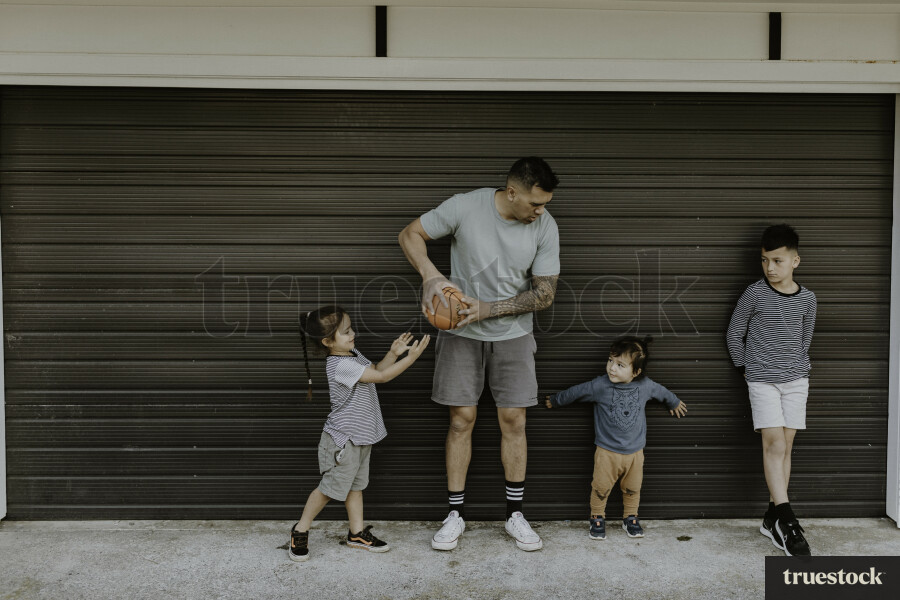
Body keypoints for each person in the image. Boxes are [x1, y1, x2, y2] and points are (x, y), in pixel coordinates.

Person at [397, 157, 561, 552]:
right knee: (460, 420)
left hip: (514, 334)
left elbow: (545, 294)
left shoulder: (546, 226)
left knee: (514, 421)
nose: (541, 211)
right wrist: (431, 275)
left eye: (544, 204)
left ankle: (515, 514)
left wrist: (490, 308)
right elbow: (409, 234)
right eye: (535, 204)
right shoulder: (464, 207)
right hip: (459, 333)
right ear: (511, 193)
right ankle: (454, 514)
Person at [289, 305, 430, 562]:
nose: (352, 333)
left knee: (355, 487)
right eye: (345, 332)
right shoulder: (339, 364)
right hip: (344, 440)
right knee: (329, 489)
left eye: (351, 328)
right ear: (327, 342)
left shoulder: (351, 354)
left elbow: (375, 370)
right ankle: (300, 529)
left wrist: (393, 353)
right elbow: (383, 377)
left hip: (361, 436)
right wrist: (410, 358)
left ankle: (356, 534)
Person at [726, 224, 817, 557]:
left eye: (777, 261)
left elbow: (804, 341)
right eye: (765, 261)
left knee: (786, 447)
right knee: (774, 444)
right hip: (762, 380)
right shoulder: (755, 293)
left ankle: (771, 517)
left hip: (796, 381)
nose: (770, 268)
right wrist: (747, 369)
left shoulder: (808, 299)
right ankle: (788, 520)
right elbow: (734, 334)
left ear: (795, 261)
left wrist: (797, 368)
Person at [544, 336, 687, 540]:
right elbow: (576, 392)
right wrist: (556, 401)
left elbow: (662, 392)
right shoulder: (599, 386)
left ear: (636, 371)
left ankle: (630, 517)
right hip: (606, 452)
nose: (612, 368)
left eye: (620, 365)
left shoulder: (645, 386)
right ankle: (597, 517)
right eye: (611, 361)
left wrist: (673, 402)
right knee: (600, 487)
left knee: (633, 488)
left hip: (635, 453)